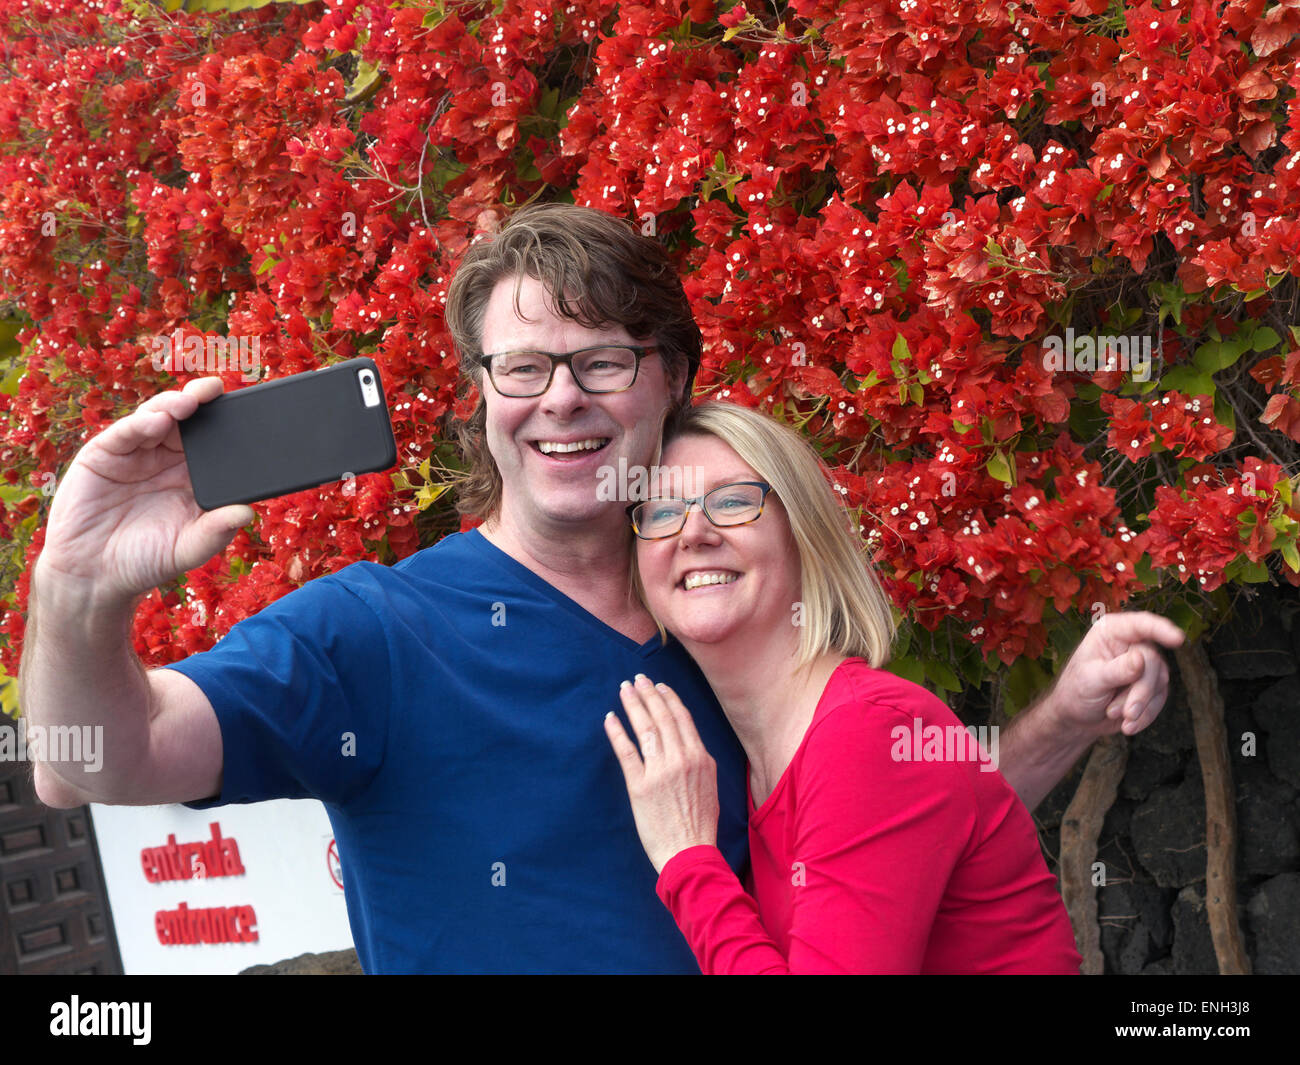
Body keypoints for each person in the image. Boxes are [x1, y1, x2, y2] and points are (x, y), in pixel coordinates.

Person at [21, 202, 1184, 973]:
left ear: (669, 378)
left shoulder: (720, 613)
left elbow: (896, 839)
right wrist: (77, 589)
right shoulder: (373, 633)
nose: (560, 398)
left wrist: (1057, 722)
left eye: (602, 360)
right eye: (521, 365)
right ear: (483, 392)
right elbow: (87, 763)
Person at [604, 402, 1084, 973]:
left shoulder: (870, 731)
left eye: (732, 501)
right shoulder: (749, 759)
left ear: (802, 534)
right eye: (662, 512)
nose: (695, 532)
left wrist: (688, 860)